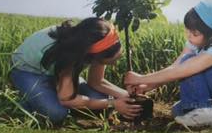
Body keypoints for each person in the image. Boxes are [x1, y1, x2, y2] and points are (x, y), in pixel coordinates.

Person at [124, 0, 212, 130]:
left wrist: (140, 78)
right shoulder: (198, 41)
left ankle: (205, 111)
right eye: (188, 30)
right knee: (178, 111)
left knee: (189, 62)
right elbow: (175, 67)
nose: (189, 36)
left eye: (195, 34)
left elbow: (182, 70)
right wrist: (146, 86)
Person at [9, 18, 141, 125]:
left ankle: (55, 92)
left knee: (100, 101)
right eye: (112, 61)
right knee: (56, 113)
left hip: (58, 73)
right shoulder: (70, 53)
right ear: (96, 56)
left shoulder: (97, 41)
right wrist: (113, 103)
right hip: (27, 71)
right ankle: (21, 102)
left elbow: (97, 82)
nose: (115, 64)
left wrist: (126, 96)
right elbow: (67, 99)